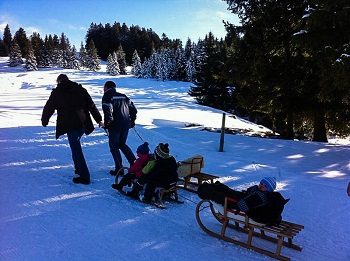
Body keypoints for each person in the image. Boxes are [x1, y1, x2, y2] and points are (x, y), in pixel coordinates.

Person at [41, 74, 103, 184]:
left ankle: (84, 176)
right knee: (75, 146)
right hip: (83, 123)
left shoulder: (57, 92)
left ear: (59, 81)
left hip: (70, 124)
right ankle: (79, 169)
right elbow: (91, 105)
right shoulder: (80, 89)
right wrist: (98, 119)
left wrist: (44, 120)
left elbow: (49, 107)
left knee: (76, 149)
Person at [198, 177, 288, 225]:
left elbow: (241, 206)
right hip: (247, 202)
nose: (261, 185)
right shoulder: (262, 194)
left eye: (264, 186)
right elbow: (248, 198)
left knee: (223, 195)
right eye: (261, 183)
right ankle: (215, 188)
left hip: (247, 209)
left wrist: (227, 202)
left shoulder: (260, 196)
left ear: (269, 189)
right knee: (229, 191)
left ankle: (208, 191)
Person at [102, 81, 137, 175]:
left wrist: (107, 124)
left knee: (114, 147)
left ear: (106, 87)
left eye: (104, 87)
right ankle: (134, 164)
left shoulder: (107, 96)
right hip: (126, 124)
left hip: (115, 125)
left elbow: (107, 111)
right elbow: (133, 109)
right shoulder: (123, 96)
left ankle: (119, 169)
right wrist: (132, 120)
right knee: (122, 144)